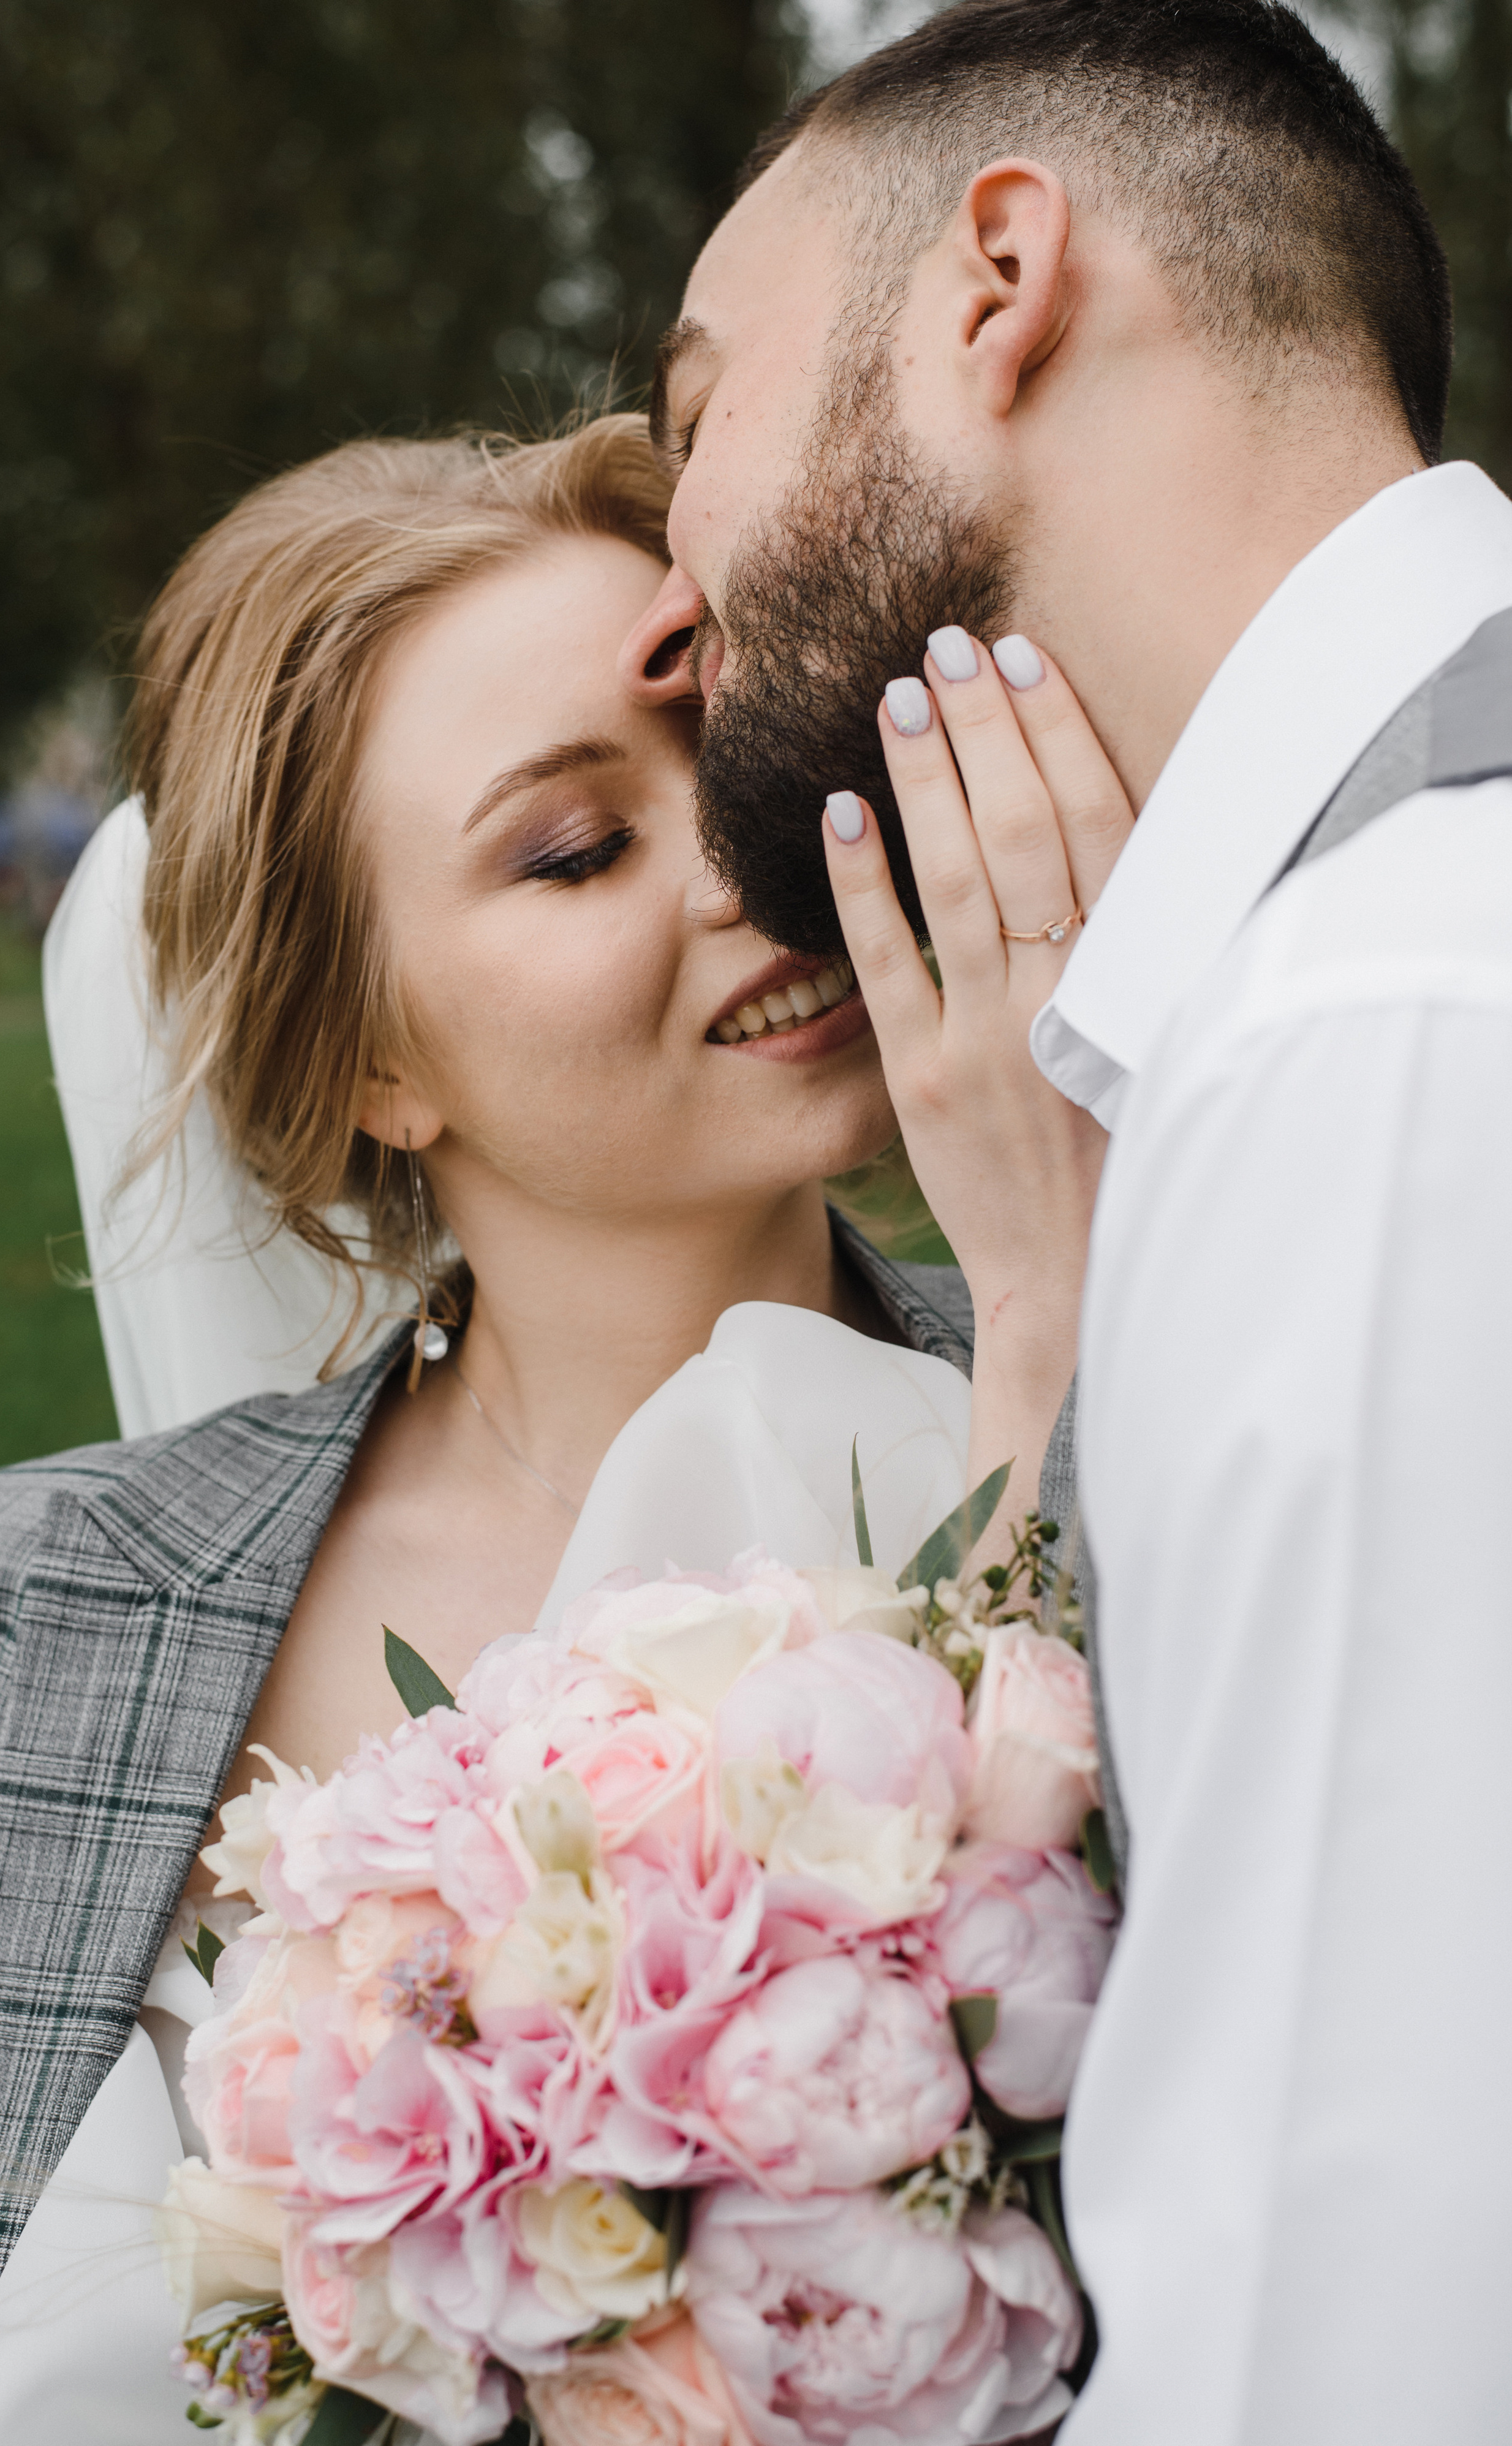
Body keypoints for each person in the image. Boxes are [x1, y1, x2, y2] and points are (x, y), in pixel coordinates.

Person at [0, 413, 1130, 2438]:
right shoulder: (12, 1623)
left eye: (737, 764)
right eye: (577, 849)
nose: (753, 864)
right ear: (371, 1062)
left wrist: (1048, 1323)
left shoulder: (1159, 1424)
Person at [619, 1, 1512, 2439]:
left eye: (699, 423)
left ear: (996, 274)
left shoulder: (1387, 1023)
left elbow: (1346, 2321)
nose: (673, 592)